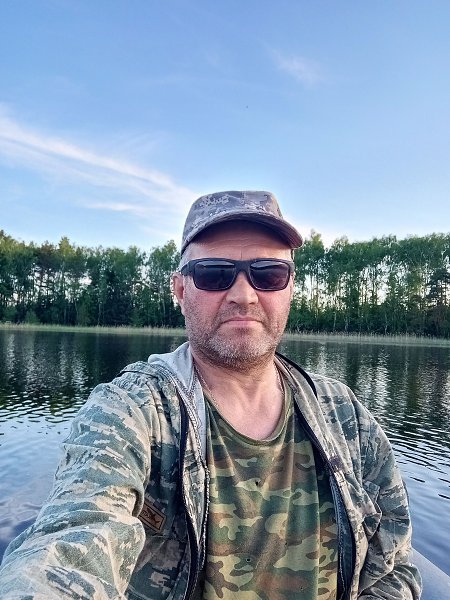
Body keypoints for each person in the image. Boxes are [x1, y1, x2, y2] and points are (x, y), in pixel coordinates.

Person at [0, 190, 421, 599]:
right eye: (214, 274)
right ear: (181, 290)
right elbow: (73, 539)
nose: (243, 295)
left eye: (269, 274)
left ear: (291, 287)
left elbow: (393, 568)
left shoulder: (346, 416)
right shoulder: (132, 411)